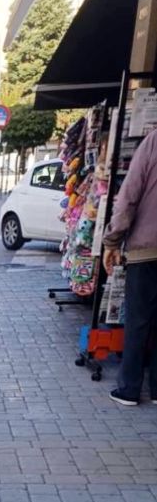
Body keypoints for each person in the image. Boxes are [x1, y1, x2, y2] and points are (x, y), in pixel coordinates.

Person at [102, 127, 157, 405]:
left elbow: (129, 197)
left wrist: (112, 240)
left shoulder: (152, 143)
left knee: (138, 321)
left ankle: (129, 389)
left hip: (147, 250)